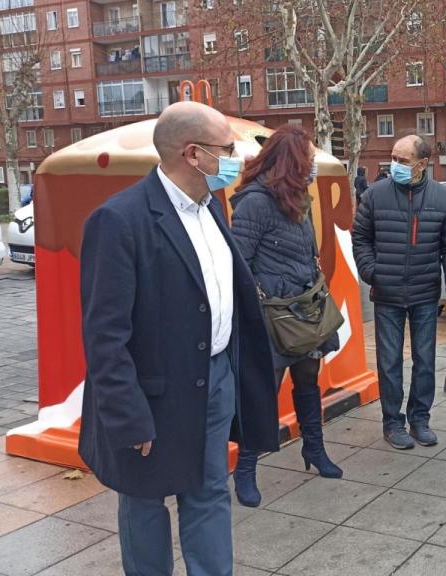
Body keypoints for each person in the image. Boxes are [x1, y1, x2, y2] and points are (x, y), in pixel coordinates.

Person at [78, 101, 279, 574]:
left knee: (209, 490)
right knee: (146, 503)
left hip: (212, 382)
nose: (238, 158)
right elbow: (104, 334)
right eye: (226, 148)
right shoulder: (120, 220)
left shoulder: (213, 207)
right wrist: (127, 415)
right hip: (152, 395)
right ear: (193, 154)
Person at [229, 124, 343, 508]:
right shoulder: (255, 202)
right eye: (308, 159)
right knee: (264, 392)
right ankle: (245, 469)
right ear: (292, 162)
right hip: (273, 319)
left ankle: (314, 448)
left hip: (305, 311)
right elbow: (238, 264)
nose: (312, 166)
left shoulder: (298, 197)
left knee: (308, 382)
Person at [352, 135, 446, 450]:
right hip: (386, 293)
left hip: (425, 292)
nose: (396, 165)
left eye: (403, 160)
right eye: (394, 158)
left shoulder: (443, 200)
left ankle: (419, 419)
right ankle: (392, 422)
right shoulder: (374, 195)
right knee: (389, 361)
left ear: (422, 164)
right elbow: (360, 238)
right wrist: (372, 272)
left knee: (424, 359)